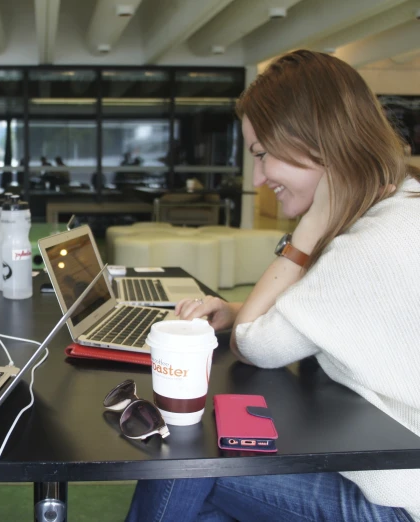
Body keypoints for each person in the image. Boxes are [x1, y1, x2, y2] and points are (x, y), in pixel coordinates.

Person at [127, 50, 420, 522]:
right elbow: (343, 311)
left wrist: (308, 231)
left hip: (401, 501)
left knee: (186, 458)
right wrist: (236, 304)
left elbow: (253, 343)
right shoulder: (402, 207)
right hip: (391, 465)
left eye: (262, 155)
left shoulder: (366, 245)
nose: (260, 178)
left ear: (317, 143)